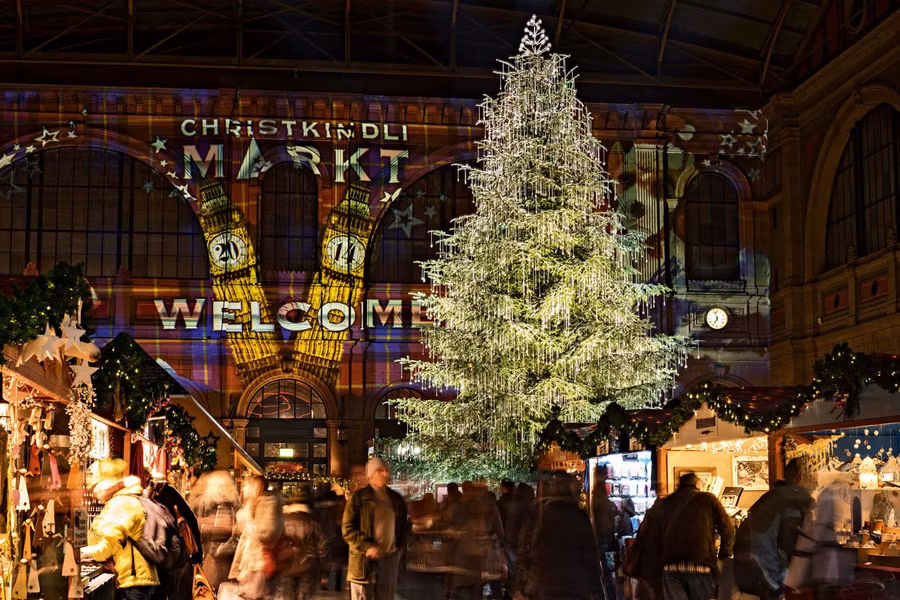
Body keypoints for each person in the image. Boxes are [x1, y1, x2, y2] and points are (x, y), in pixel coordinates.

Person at [513, 472, 602, 600]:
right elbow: (590, 555)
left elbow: (533, 554)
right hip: (576, 588)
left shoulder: (541, 515)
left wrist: (526, 588)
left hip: (547, 587)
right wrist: (594, 588)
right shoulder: (579, 516)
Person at [733, 459, 813, 600]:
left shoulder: (775, 496)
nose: (816, 483)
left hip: (749, 562)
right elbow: (791, 542)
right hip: (763, 564)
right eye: (813, 476)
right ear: (801, 477)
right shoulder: (792, 500)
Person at [80, 459, 159, 600]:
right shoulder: (124, 499)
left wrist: (83, 553)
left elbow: (109, 545)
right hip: (138, 578)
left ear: (105, 486)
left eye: (94, 489)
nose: (94, 494)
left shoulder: (121, 503)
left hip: (136, 581)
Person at [657, 472, 735, 600]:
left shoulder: (666, 502)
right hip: (700, 565)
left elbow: (655, 534)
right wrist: (723, 556)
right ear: (697, 484)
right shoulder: (709, 499)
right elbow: (728, 529)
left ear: (679, 485)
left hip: (670, 566)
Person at [343, 458, 409, 600]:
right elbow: (347, 529)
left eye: (386, 470)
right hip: (363, 561)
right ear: (371, 474)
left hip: (388, 559)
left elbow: (404, 526)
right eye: (380, 470)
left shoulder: (395, 498)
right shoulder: (359, 498)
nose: (385, 473)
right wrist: (367, 547)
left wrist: (399, 547)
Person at [228, 475, 284, 600]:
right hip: (250, 558)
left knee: (257, 594)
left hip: (261, 558)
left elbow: (268, 532)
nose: (243, 489)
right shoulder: (251, 505)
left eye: (247, 486)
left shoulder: (268, 503)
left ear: (256, 487)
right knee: (252, 593)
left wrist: (253, 529)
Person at [190, 471, 241, 591]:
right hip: (218, 555)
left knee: (212, 589)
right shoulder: (224, 503)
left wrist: (200, 524)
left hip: (218, 555)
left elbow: (222, 528)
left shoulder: (222, 503)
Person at [281, 486, 329, 600]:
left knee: (288, 597)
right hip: (308, 567)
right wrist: (323, 571)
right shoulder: (313, 521)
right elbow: (322, 548)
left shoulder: (283, 521)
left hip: (287, 566)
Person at [592, 465, 619, 600]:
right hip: (606, 538)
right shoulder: (599, 492)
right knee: (609, 570)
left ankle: (608, 594)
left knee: (607, 570)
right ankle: (610, 595)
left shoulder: (597, 492)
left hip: (603, 538)